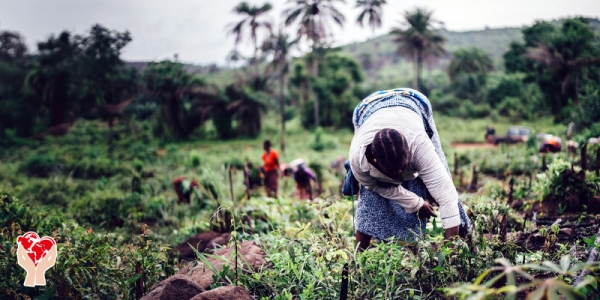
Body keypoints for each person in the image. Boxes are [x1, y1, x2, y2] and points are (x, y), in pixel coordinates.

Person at [347, 88, 472, 250]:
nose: (400, 176)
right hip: (366, 108)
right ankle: (357, 260)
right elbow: (375, 186)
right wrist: (416, 203)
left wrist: (449, 257)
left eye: (403, 168)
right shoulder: (359, 160)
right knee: (370, 198)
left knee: (443, 181)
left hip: (413, 102)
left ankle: (462, 240)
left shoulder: (419, 145)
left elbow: (447, 198)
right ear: (376, 162)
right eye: (394, 173)